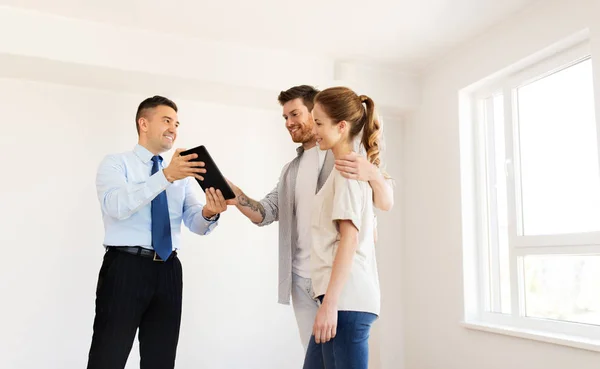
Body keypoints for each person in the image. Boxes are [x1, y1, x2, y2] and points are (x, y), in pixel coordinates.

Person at [226, 85, 393, 351]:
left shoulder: (343, 154)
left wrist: (373, 174)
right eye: (285, 118)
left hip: (335, 279)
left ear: (315, 111)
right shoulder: (291, 170)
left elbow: (384, 203)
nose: (289, 123)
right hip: (301, 280)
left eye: (295, 114)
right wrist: (235, 196)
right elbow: (266, 213)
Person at [87, 95, 231, 369]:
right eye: (166, 120)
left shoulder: (180, 173)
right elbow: (117, 206)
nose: (174, 129)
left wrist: (210, 212)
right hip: (125, 268)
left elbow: (194, 222)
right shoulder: (116, 163)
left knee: (161, 360)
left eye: (176, 123)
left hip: (168, 270)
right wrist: (165, 176)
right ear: (143, 123)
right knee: (108, 357)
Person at [303, 86, 387, 369]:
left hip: (345, 303)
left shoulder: (348, 172)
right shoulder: (346, 170)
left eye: (318, 123)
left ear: (341, 126)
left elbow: (349, 240)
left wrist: (331, 304)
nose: (313, 129)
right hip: (339, 300)